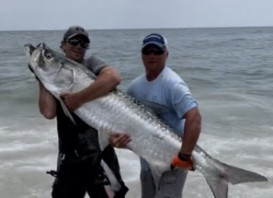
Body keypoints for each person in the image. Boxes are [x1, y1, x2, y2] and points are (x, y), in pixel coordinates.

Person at [38, 26, 128, 198]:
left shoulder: (92, 64)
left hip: (101, 155)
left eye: (84, 43)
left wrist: (77, 99)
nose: (79, 46)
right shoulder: (55, 74)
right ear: (63, 45)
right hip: (69, 156)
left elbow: (113, 78)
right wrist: (41, 75)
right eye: (74, 41)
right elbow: (49, 112)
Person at [110, 33, 201, 198]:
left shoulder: (173, 84)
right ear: (142, 55)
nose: (152, 55)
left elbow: (194, 118)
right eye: (148, 51)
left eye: (157, 51)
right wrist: (117, 141)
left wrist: (184, 156)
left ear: (167, 54)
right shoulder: (134, 88)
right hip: (147, 164)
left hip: (173, 163)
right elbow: (128, 126)